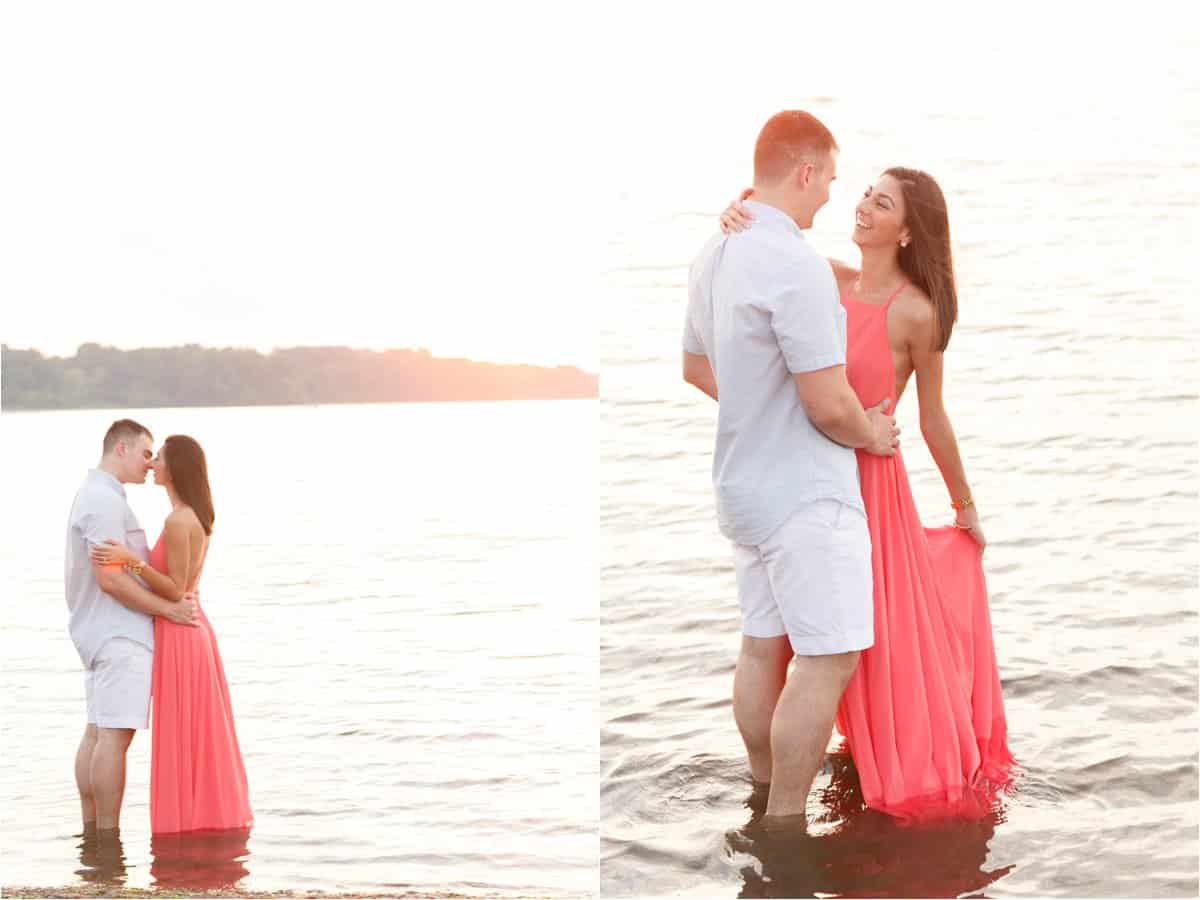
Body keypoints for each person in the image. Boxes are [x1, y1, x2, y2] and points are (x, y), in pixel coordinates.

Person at [719, 166, 1016, 819]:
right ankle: (773, 790)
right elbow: (769, 243)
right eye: (864, 195)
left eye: (882, 204)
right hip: (806, 472)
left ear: (907, 231)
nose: (862, 207)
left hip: (872, 484)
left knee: (857, 638)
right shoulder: (826, 278)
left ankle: (846, 777)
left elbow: (933, 417)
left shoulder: (916, 311)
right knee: (789, 641)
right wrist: (739, 209)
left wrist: (965, 507)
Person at [681, 110, 900, 825]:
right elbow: (828, 402)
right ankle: (783, 823)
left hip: (742, 488)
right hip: (804, 495)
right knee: (827, 659)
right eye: (831, 179)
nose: (833, 197)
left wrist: (759, 401)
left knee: (760, 645)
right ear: (805, 172)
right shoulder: (795, 265)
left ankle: (760, 786)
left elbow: (695, 368)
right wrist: (869, 432)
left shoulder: (715, 251)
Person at [91, 434, 253, 834]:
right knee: (193, 733)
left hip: (180, 632)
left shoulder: (179, 520)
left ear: (175, 468)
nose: (152, 463)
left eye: (158, 457)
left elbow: (176, 589)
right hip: (187, 629)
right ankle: (198, 825)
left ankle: (189, 827)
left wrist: (131, 562)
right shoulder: (189, 516)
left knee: (186, 734)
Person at [65, 419, 199, 837]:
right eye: (145, 452)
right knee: (113, 739)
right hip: (118, 634)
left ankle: (93, 838)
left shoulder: (97, 495)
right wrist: (168, 609)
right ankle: (108, 838)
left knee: (97, 732)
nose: (149, 462)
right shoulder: (103, 501)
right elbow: (109, 577)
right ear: (121, 449)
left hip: (98, 631)